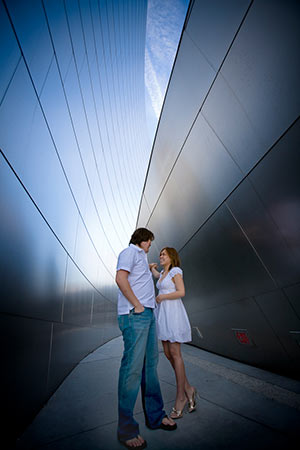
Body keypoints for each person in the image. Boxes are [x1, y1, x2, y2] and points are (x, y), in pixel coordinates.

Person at [116, 229, 177, 450]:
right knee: (132, 370)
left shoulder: (141, 257)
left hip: (148, 316)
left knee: (150, 368)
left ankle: (155, 416)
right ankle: (126, 430)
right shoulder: (129, 252)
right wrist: (138, 305)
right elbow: (120, 279)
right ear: (143, 240)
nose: (151, 245)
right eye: (150, 241)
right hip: (135, 315)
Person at [150, 247, 196, 419]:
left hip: (173, 313)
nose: (161, 256)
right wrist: (152, 269)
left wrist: (162, 297)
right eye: (160, 254)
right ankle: (189, 388)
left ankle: (181, 398)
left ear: (172, 257)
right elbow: (157, 278)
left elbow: (181, 292)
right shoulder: (162, 273)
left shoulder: (176, 271)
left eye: (164, 254)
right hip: (162, 315)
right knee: (168, 354)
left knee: (175, 354)